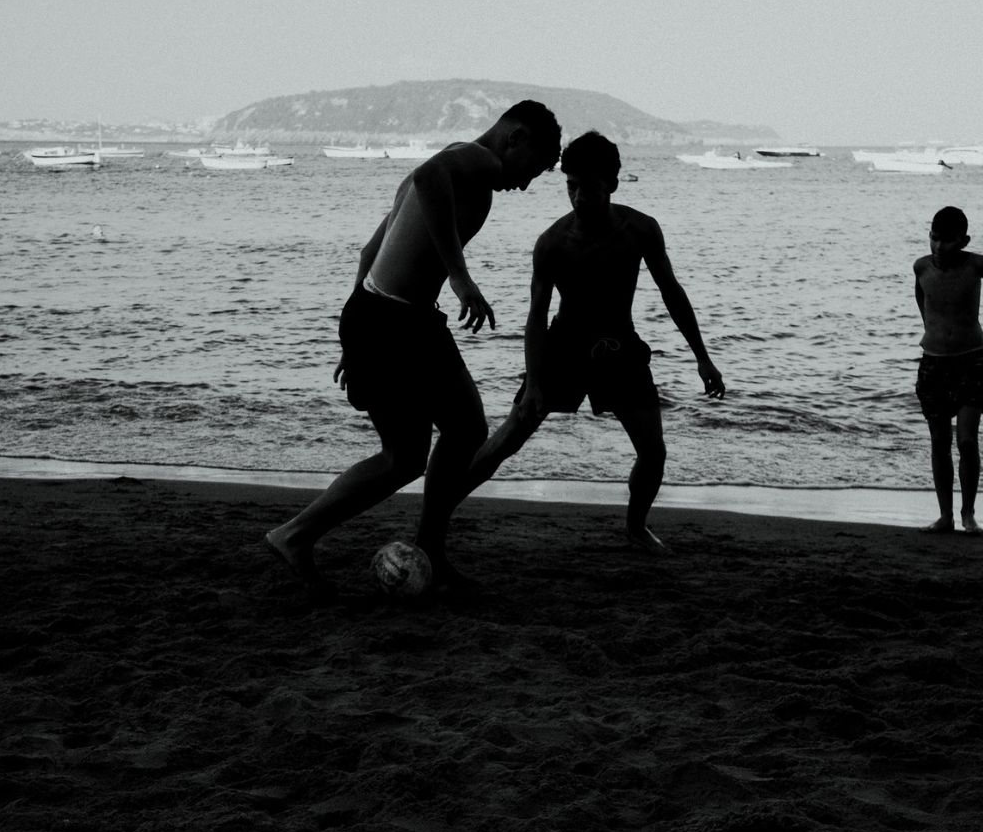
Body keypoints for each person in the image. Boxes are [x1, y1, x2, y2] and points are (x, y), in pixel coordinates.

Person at [263, 101, 563, 594]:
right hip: (395, 322)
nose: (526, 184)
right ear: (516, 138)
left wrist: (353, 333)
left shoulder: (457, 161)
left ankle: (424, 549)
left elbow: (369, 252)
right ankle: (296, 535)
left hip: (382, 315)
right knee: (411, 454)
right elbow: (427, 179)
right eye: (534, 169)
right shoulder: (477, 162)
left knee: (457, 431)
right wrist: (462, 278)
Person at [458, 131, 725, 551]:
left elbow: (672, 291)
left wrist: (702, 358)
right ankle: (440, 508)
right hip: (563, 345)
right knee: (510, 435)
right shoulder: (552, 243)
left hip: (619, 346)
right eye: (572, 186)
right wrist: (535, 382)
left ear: (612, 185)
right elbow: (535, 316)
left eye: (591, 187)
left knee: (653, 452)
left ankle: (636, 527)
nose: (580, 197)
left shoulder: (641, 230)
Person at [913, 205, 983, 532]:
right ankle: (946, 516)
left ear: (964, 240)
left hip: (973, 361)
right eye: (934, 238)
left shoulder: (975, 266)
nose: (939, 247)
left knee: (967, 440)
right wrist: (934, 331)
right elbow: (923, 303)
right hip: (933, 363)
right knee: (939, 441)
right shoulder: (922, 268)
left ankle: (968, 512)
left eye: (948, 241)